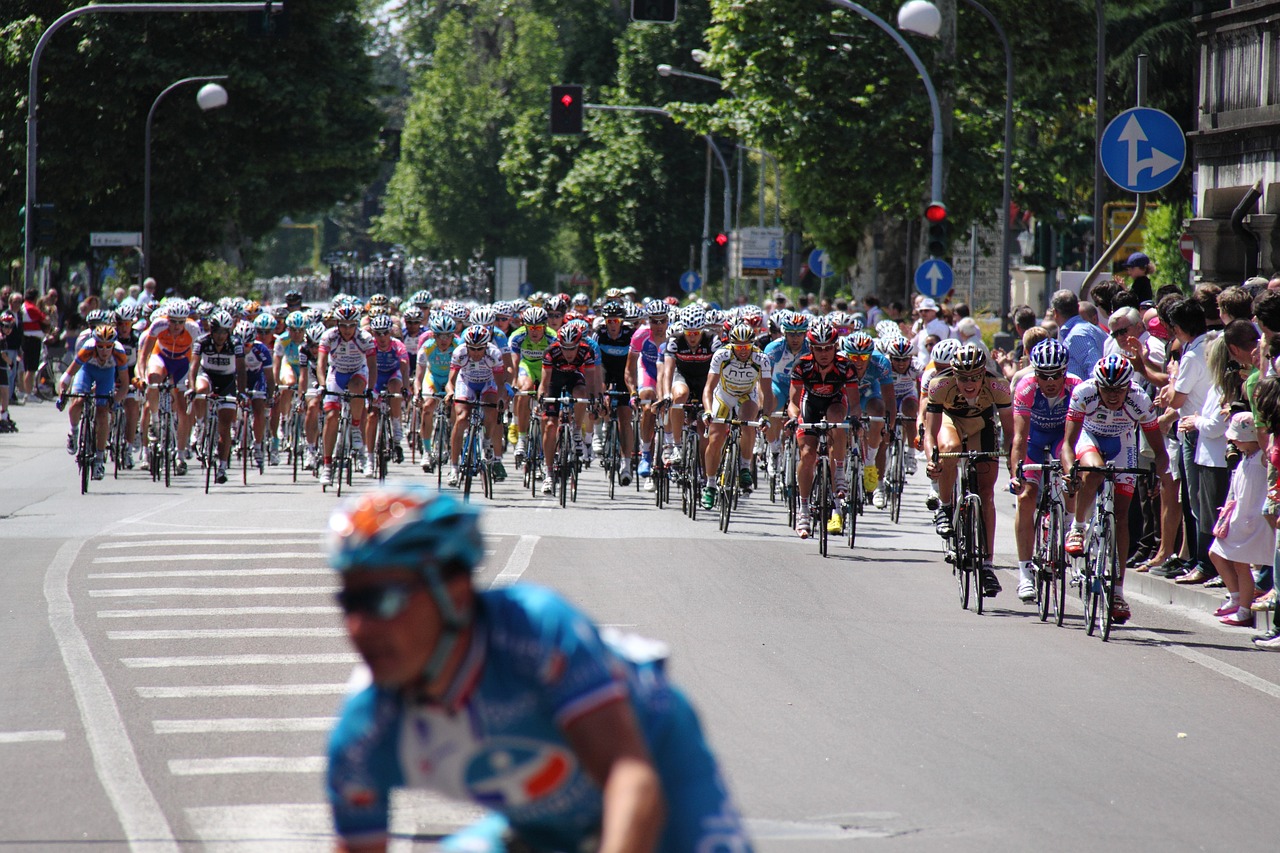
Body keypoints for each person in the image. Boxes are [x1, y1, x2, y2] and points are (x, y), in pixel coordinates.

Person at [324, 486, 752, 853]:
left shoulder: (535, 630)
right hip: (538, 822)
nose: (359, 627)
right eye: (349, 603)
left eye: (382, 601)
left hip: (657, 764)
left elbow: (631, 779)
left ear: (453, 594)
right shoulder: (361, 731)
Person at [1062, 355, 1174, 624]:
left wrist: (1159, 478)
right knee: (1096, 470)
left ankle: (1118, 592)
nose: (1113, 395)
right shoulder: (1084, 393)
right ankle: (1078, 527)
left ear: (1129, 386)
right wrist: (1070, 472)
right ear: (1097, 385)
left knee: (1121, 516)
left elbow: (1160, 452)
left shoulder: (1139, 400)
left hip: (1123, 445)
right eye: (1107, 389)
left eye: (1119, 389)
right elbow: (1068, 443)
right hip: (1090, 438)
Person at [923, 343, 1014, 598]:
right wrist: (932, 459)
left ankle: (987, 565)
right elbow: (931, 432)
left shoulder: (998, 385)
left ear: (984, 373)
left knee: (986, 495)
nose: (969, 383)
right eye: (963, 378)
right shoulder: (939, 385)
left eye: (975, 376)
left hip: (980, 426)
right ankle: (944, 507)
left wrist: (1011, 462)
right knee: (950, 447)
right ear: (954, 374)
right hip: (951, 422)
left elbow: (1010, 432)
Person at [1007, 339, 1080, 602]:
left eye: (1056, 375)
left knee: (1072, 477)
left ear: (1065, 371)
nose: (1050, 381)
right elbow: (1018, 436)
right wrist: (1016, 473)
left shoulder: (1076, 387)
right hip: (1034, 439)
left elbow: (1074, 440)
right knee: (1026, 497)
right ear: (1034, 372)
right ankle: (1025, 574)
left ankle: (1071, 526)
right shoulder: (1026, 387)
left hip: (1063, 436)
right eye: (1043, 375)